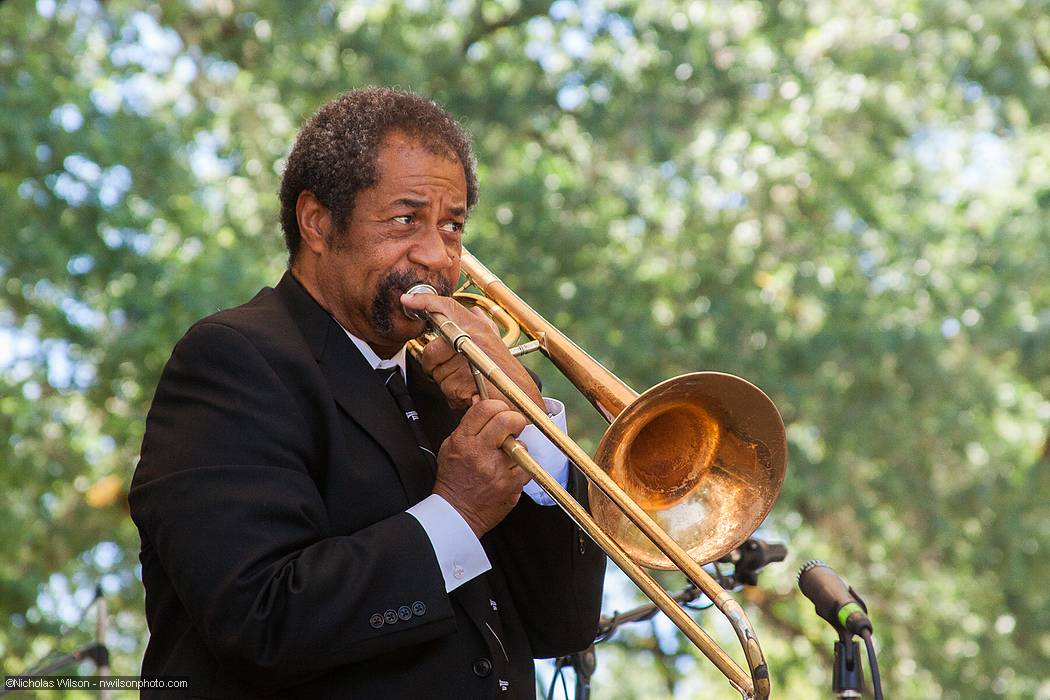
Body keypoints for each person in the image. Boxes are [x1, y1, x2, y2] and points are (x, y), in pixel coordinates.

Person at [129, 87, 606, 699]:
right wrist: (456, 513)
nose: (438, 256)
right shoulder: (236, 358)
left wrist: (531, 429)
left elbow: (562, 625)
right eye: (406, 219)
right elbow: (259, 622)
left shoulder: (446, 393)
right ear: (318, 222)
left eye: (452, 225)